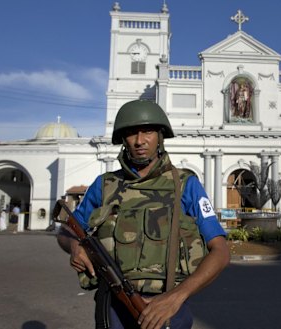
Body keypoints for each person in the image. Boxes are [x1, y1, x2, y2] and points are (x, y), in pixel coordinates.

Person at [57, 100, 230, 329]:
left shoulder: (185, 185)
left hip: (168, 308)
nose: (139, 141)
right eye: (131, 133)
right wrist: (75, 247)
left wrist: (176, 298)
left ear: (160, 136)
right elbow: (67, 230)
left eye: (147, 131)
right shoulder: (105, 186)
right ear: (123, 140)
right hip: (114, 306)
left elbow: (221, 251)